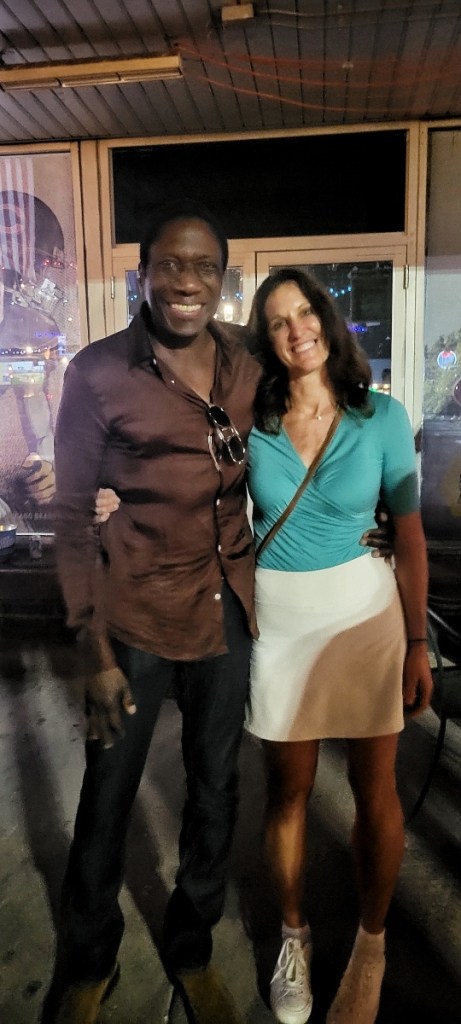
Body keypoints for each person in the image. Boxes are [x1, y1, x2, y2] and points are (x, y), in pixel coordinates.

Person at [43, 201, 391, 1024]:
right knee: (107, 798)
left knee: (215, 793)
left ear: (222, 279)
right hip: (133, 616)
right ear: (143, 274)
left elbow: (324, 398)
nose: (186, 281)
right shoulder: (97, 373)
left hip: (229, 611)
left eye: (203, 267)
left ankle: (191, 951)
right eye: (170, 264)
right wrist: (91, 649)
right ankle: (88, 964)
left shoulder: (245, 360)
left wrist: (367, 502)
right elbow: (69, 515)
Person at [244, 268, 433, 1024]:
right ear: (265, 340)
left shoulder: (381, 416)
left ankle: (371, 943)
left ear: (326, 317)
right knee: (286, 791)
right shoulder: (251, 419)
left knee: (373, 789)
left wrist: (417, 642)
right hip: (281, 622)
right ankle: (294, 935)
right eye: (277, 321)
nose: (297, 330)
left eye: (305, 312)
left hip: (364, 617)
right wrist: (111, 494)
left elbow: (409, 538)